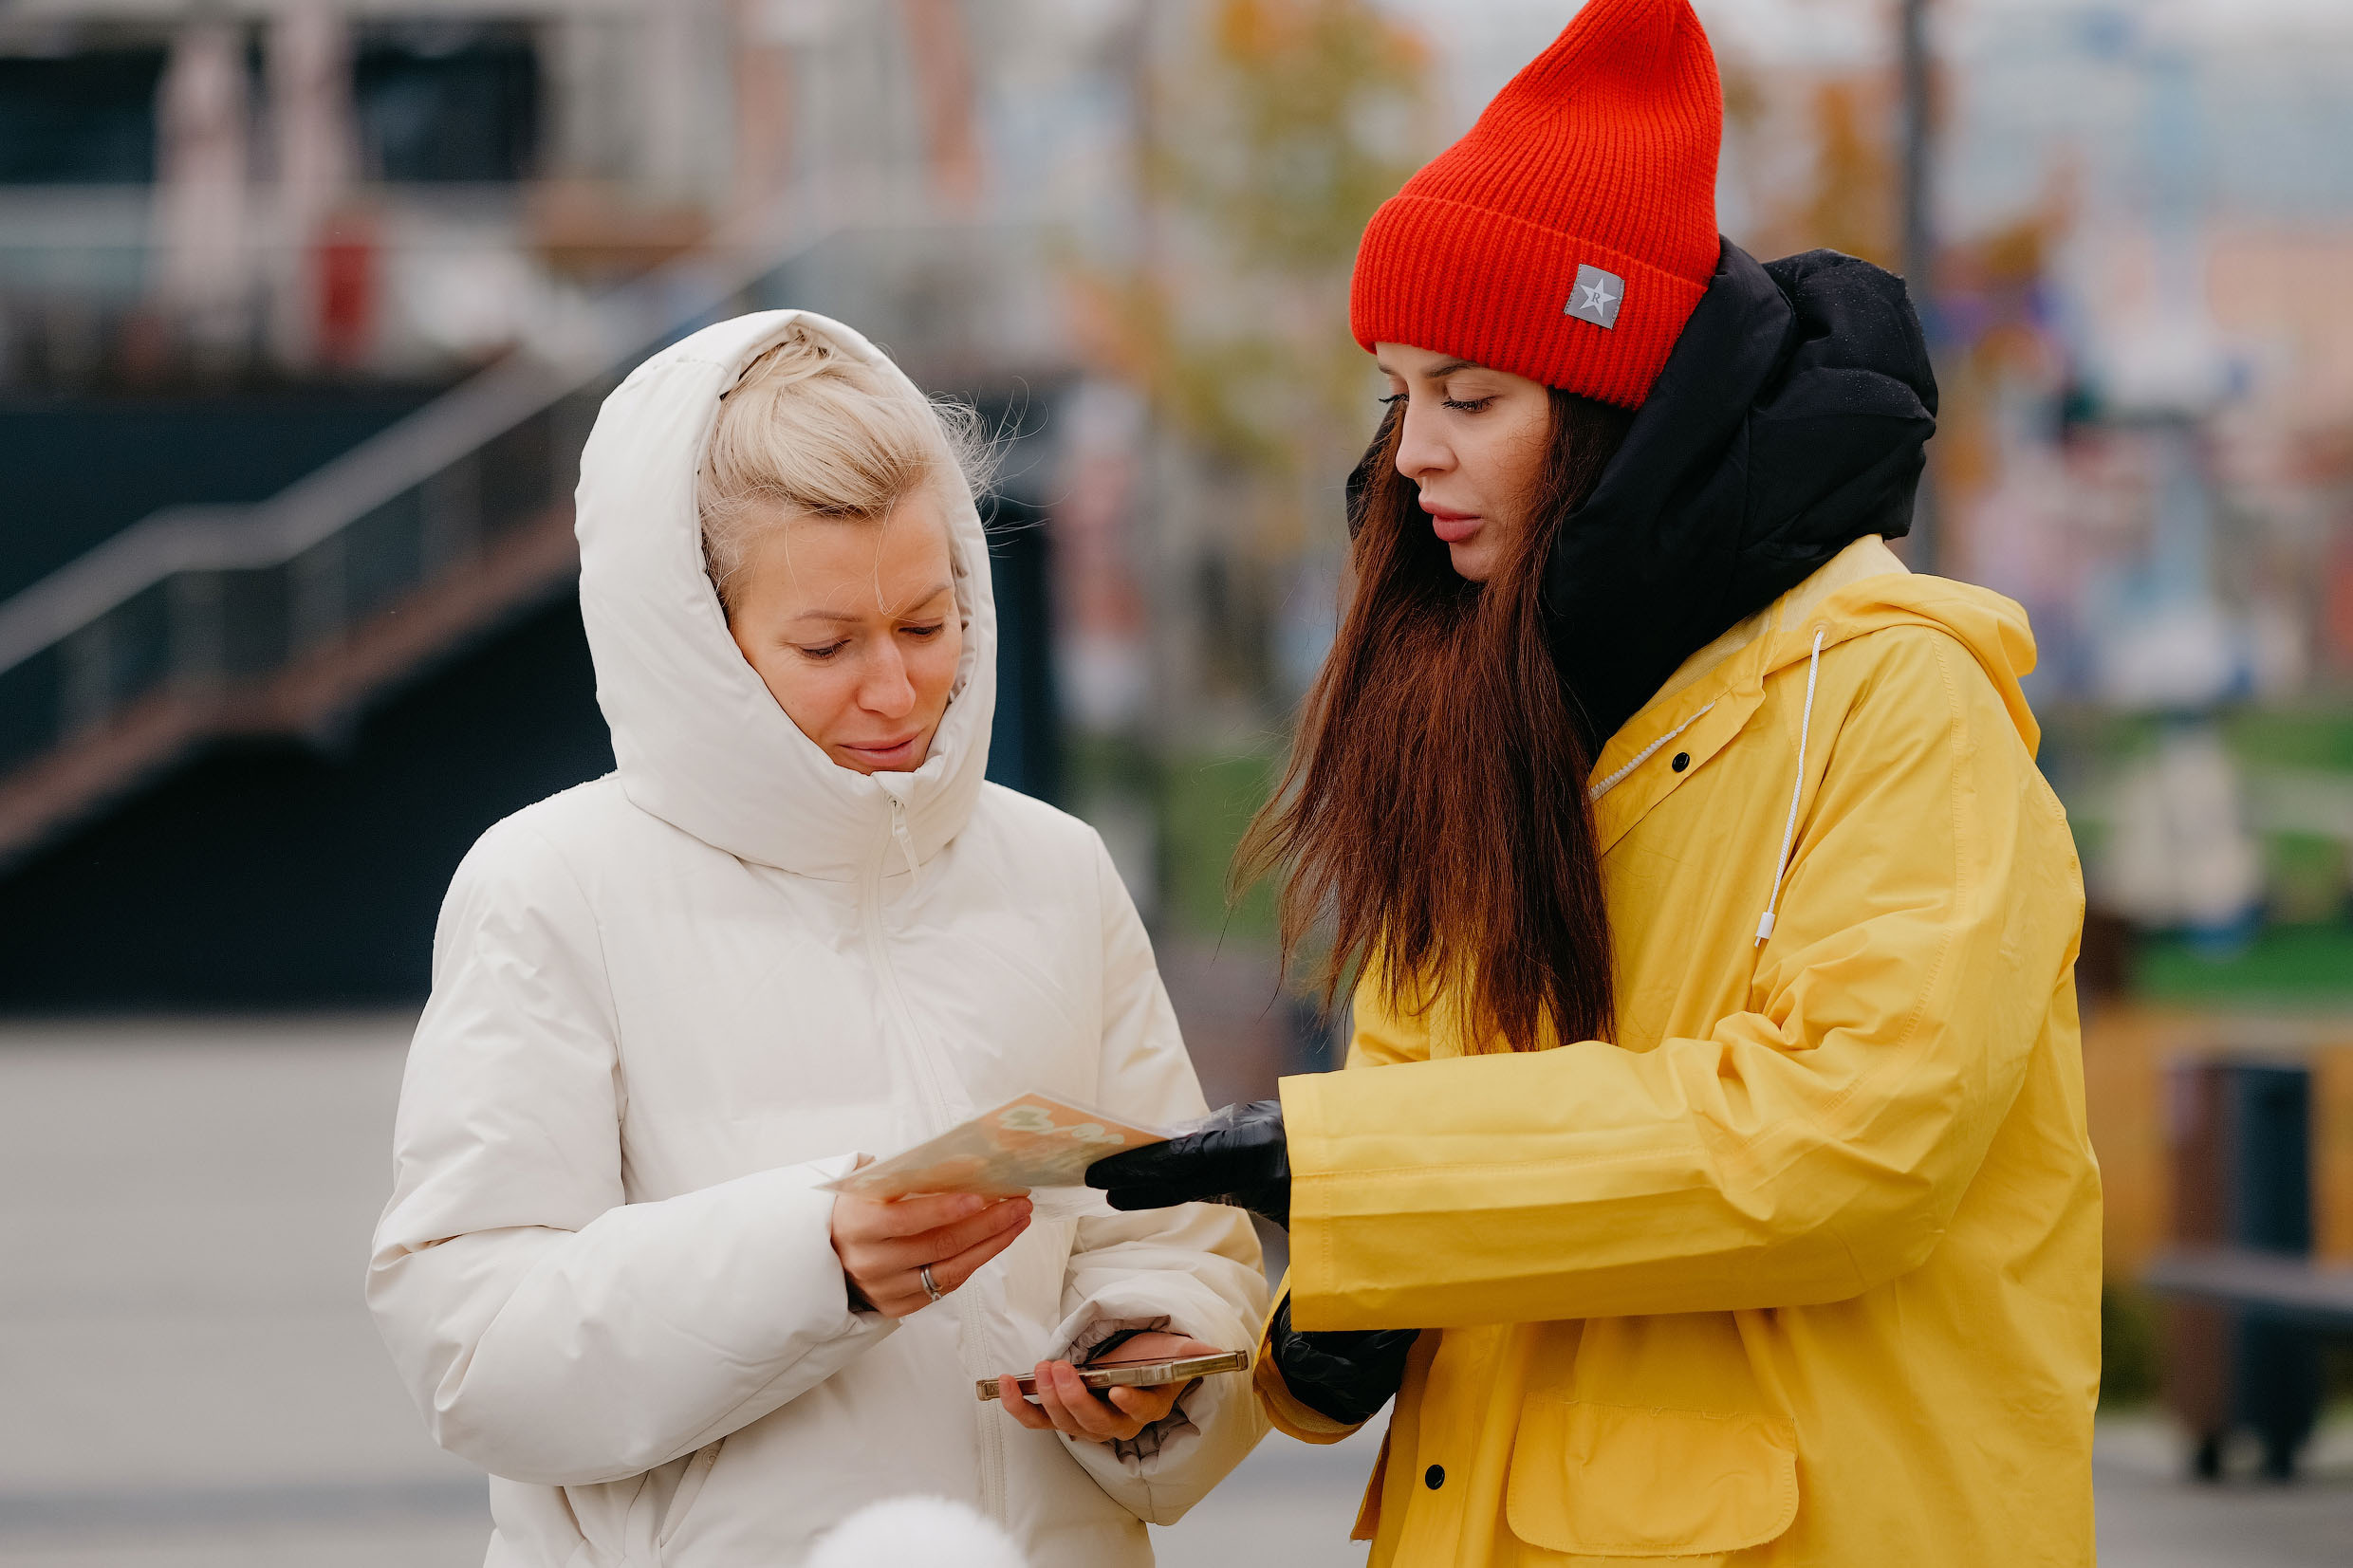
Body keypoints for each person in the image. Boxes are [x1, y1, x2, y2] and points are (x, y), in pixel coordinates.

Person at [1087, 2, 2100, 1564]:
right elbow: (1422, 1127)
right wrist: (1307, 1332)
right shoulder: (1479, 703)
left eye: (1470, 397)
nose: (1409, 452)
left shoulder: (1896, 695)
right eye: (1396, 394)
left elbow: (1845, 1143)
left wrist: (1349, 1168)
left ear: (1618, 404)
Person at [368, 312, 1268, 1568]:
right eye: (828, 645)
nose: (897, 688)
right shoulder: (550, 887)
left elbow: (1176, 1238)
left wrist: (1153, 1367)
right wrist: (816, 1257)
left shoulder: (1056, 870)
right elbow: (472, 1347)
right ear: (695, 642)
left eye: (929, 622)